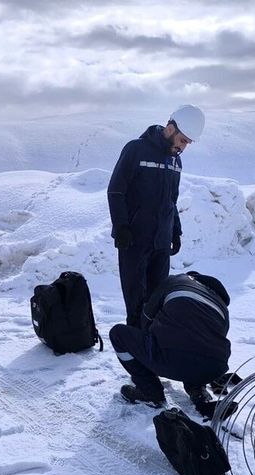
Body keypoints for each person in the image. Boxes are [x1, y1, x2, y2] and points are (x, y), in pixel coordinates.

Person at [107, 105, 205, 328]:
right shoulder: (135, 150)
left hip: (161, 242)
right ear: (170, 129)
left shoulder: (175, 161)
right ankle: (133, 347)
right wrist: (121, 226)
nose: (183, 147)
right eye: (182, 140)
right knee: (135, 301)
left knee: (158, 301)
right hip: (134, 240)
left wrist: (175, 231)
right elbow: (116, 190)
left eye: (187, 143)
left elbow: (172, 200)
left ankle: (153, 347)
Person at [109, 271, 231, 410]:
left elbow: (146, 318)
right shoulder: (222, 307)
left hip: (172, 360)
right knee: (198, 343)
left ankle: (150, 392)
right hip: (214, 369)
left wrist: (147, 353)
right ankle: (197, 389)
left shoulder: (175, 281)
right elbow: (205, 341)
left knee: (118, 334)